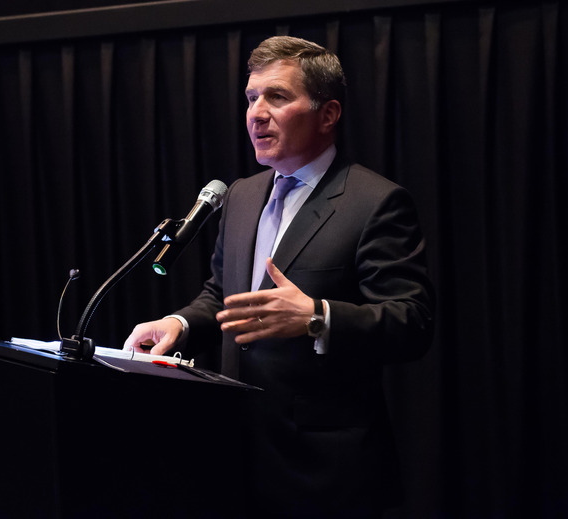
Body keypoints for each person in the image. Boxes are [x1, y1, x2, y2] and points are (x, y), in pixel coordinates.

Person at [124, 36, 434, 518]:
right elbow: (223, 295)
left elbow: (411, 322)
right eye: (251, 98)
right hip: (236, 454)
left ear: (328, 114)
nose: (256, 113)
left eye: (278, 97)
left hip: (325, 472)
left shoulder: (374, 202)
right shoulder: (242, 195)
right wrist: (180, 325)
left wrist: (317, 317)